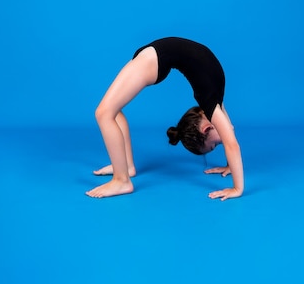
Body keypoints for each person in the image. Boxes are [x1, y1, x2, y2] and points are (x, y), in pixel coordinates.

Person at [86, 37, 244, 201]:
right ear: (206, 129)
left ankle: (123, 175)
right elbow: (232, 143)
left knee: (106, 112)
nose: (222, 141)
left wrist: (230, 166)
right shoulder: (211, 103)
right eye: (215, 145)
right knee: (107, 112)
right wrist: (237, 188)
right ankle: (123, 175)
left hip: (154, 57)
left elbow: (229, 136)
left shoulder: (212, 101)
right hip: (154, 59)